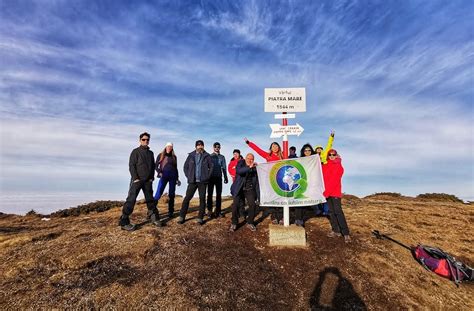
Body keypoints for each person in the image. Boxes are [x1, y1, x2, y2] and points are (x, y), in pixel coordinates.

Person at [119, 132, 162, 231]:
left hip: (148, 181)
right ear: (140, 140)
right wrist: (135, 178)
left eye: (147, 140)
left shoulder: (151, 153)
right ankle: (124, 222)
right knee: (131, 200)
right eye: (143, 139)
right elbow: (131, 165)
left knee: (150, 200)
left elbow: (152, 166)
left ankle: (154, 218)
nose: (145, 141)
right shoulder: (135, 152)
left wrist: (152, 178)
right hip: (137, 180)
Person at [244, 137, 283, 224]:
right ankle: (274, 217)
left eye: (276, 146)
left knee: (280, 197)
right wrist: (249, 143)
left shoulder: (283, 156)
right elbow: (258, 150)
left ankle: (280, 216)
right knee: (272, 197)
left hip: (280, 179)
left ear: (279, 147)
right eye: (273, 146)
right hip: (270, 179)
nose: (275, 148)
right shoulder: (267, 155)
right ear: (271, 148)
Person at [178, 140, 213, 225]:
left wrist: (207, 177)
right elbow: (185, 167)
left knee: (202, 200)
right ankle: (182, 217)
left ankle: (200, 218)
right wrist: (189, 176)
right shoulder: (191, 155)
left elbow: (211, 167)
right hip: (192, 181)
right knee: (187, 198)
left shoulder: (207, 156)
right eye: (198, 145)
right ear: (196, 146)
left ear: (203, 146)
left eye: (201, 145)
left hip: (202, 182)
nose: (200, 146)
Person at [322, 149, 351, 243]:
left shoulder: (338, 166)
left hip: (334, 192)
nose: (331, 156)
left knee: (338, 212)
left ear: (336, 155)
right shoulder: (325, 165)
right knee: (331, 212)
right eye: (329, 154)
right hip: (327, 192)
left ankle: (346, 233)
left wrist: (326, 193)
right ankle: (336, 230)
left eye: (333, 154)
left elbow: (334, 181)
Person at [229, 153, 259, 232]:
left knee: (252, 204)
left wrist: (257, 194)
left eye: (252, 159)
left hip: (249, 188)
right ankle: (234, 223)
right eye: (248, 158)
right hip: (239, 188)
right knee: (235, 205)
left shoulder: (254, 168)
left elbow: (256, 181)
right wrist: (249, 167)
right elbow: (239, 171)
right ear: (245, 158)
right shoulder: (240, 163)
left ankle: (250, 222)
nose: (250, 160)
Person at [154, 142, 181, 219]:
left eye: (170, 147)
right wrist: (159, 172)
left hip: (172, 177)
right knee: (158, 193)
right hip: (164, 176)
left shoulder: (174, 157)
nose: (169, 148)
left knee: (172, 194)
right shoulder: (161, 155)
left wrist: (177, 178)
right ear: (165, 147)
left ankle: (171, 212)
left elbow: (176, 168)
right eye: (168, 146)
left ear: (172, 148)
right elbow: (156, 166)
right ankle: (151, 211)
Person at [292, 143, 316, 227]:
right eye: (305, 150)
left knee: (306, 202)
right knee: (299, 201)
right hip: (301, 182)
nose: (307, 152)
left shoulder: (315, 160)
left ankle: (301, 219)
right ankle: (297, 219)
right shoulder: (300, 160)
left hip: (310, 183)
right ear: (303, 151)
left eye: (309, 150)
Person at [207, 142, 229, 218]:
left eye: (218, 147)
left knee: (218, 195)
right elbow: (207, 167)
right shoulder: (209, 156)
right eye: (215, 147)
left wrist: (225, 177)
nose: (217, 148)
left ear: (220, 148)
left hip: (219, 177)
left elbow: (224, 167)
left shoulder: (222, 157)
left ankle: (218, 211)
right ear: (213, 147)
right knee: (209, 194)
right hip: (210, 178)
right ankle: (209, 211)